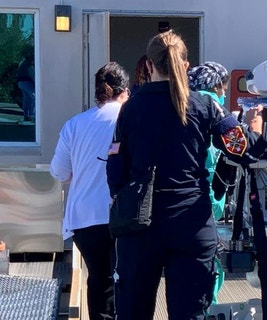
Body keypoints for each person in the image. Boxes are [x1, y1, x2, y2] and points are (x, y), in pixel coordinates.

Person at [106, 30, 266, 320]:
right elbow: (240, 149)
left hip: (140, 226)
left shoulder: (131, 109)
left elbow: (115, 170)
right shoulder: (205, 106)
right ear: (185, 66)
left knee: (132, 312)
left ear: (149, 66)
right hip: (191, 224)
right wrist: (256, 129)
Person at [50, 62, 130, 320]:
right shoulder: (131, 119)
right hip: (124, 214)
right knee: (128, 280)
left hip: (84, 217)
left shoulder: (75, 124)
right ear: (125, 91)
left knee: (99, 280)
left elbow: (60, 172)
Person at [187, 61, 231, 305]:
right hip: (207, 200)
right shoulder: (214, 109)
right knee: (209, 265)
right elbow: (231, 153)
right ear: (216, 86)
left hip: (180, 198)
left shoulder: (184, 107)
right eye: (224, 88)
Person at [16, 49, 35, 124]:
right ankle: (33, 116)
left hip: (20, 82)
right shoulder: (29, 63)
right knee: (34, 97)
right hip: (27, 82)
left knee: (26, 99)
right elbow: (32, 74)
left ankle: (26, 116)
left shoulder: (22, 62)